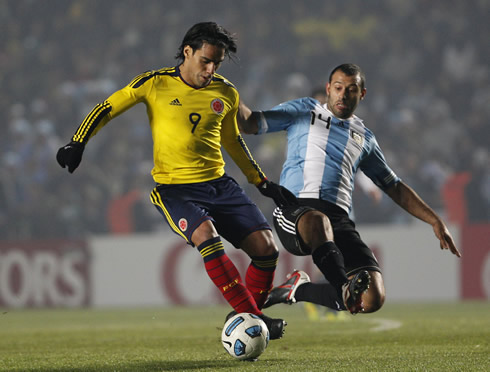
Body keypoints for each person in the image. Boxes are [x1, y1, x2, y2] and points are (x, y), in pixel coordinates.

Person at [56, 22, 297, 339]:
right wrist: (78, 142)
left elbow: (233, 141)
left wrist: (262, 182)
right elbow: (108, 107)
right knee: (207, 237)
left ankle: (247, 315)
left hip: (220, 185)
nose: (210, 69)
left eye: (216, 63)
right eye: (206, 60)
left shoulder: (225, 92)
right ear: (188, 52)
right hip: (175, 190)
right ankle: (254, 319)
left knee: (267, 250)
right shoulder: (154, 83)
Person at [237, 63, 461, 315]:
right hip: (295, 211)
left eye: (351, 89)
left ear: (361, 94)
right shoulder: (303, 110)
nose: (343, 94)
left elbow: (394, 186)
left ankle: (296, 290)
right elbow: (249, 123)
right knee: (318, 223)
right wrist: (228, 95)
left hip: (339, 221)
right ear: (328, 89)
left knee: (371, 299)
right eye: (338, 87)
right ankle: (344, 286)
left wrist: (434, 220)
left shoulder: (365, 138)